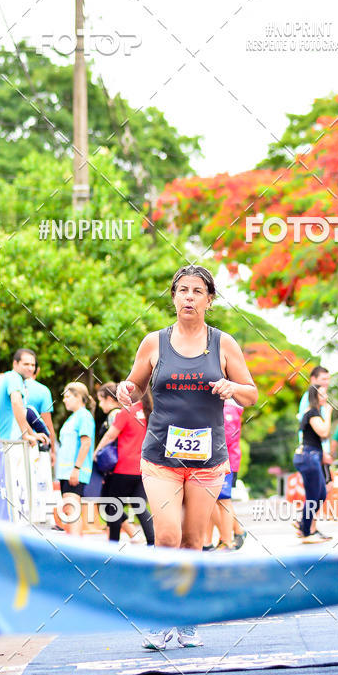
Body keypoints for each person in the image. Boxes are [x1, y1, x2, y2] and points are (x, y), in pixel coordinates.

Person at [116, 264, 258, 650]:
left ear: (210, 300)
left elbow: (252, 393)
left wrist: (233, 386)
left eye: (198, 291)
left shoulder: (223, 344)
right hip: (160, 455)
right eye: (182, 290)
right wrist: (125, 391)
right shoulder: (153, 342)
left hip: (208, 460)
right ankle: (162, 617)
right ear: (173, 296)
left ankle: (188, 617)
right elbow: (134, 384)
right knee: (167, 535)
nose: (189, 297)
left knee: (194, 542)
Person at [93, 388, 155, 546]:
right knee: (139, 505)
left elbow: (110, 435)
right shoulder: (151, 412)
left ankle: (113, 544)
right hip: (142, 467)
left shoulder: (127, 412)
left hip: (122, 468)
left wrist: (97, 451)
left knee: (112, 505)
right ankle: (152, 542)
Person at [203, 399, 246, 550]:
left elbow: (226, 436)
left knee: (223, 500)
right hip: (214, 460)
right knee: (210, 501)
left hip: (225, 462)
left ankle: (228, 540)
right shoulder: (219, 406)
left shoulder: (228, 409)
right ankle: (208, 541)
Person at [295, 385, 332, 543]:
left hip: (312, 455)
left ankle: (304, 525)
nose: (326, 397)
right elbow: (323, 432)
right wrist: (329, 414)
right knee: (314, 494)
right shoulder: (312, 412)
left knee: (320, 494)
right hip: (309, 456)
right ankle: (305, 531)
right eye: (322, 394)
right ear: (315, 396)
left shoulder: (312, 412)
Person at [0, 349, 47, 447]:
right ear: (15, 364)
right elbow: (16, 402)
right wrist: (25, 434)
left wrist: (31, 434)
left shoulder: (11, 378)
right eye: (26, 364)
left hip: (0, 443)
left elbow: (20, 412)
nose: (30, 368)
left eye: (33, 365)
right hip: (2, 444)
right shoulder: (14, 377)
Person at [56, 382, 95, 526]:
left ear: (78, 397)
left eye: (67, 396)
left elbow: (86, 444)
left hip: (75, 472)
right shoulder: (73, 417)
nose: (64, 400)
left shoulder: (84, 416)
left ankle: (76, 544)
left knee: (72, 511)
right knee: (68, 510)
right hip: (66, 472)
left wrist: (76, 469)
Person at [298, 366, 332, 480]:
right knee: (321, 489)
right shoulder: (310, 401)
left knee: (323, 488)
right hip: (314, 452)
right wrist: (322, 453)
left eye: (328, 379)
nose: (327, 382)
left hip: (317, 451)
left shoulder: (318, 402)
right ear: (313, 379)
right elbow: (309, 430)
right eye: (323, 379)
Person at [25, 361, 56, 464]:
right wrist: (52, 451)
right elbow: (47, 424)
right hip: (35, 445)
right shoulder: (43, 391)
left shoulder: (11, 385)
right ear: (37, 371)